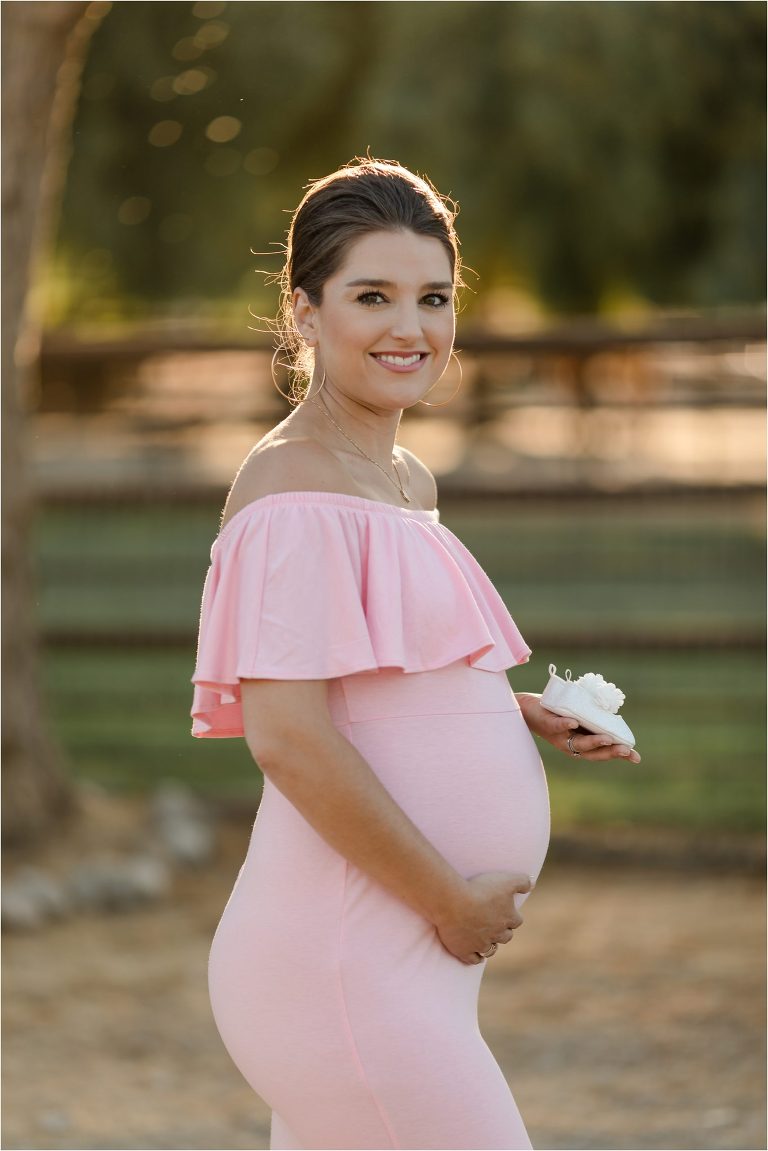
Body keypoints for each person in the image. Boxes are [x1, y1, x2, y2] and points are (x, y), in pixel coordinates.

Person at [190, 157, 641, 1151]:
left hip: (397, 962)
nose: (411, 327)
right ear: (305, 312)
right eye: (372, 296)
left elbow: (375, 681)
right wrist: (450, 901)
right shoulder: (293, 493)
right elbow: (289, 738)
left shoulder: (402, 479)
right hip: (347, 965)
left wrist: (509, 713)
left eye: (433, 297)